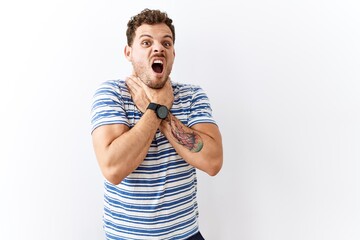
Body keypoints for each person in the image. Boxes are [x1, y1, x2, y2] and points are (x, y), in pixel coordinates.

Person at [91, 8, 223, 240]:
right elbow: (113, 169)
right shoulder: (111, 94)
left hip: (186, 235)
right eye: (146, 42)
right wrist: (155, 111)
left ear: (172, 53)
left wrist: (160, 111)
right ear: (128, 52)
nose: (158, 47)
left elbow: (212, 161)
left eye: (166, 43)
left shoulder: (193, 95)